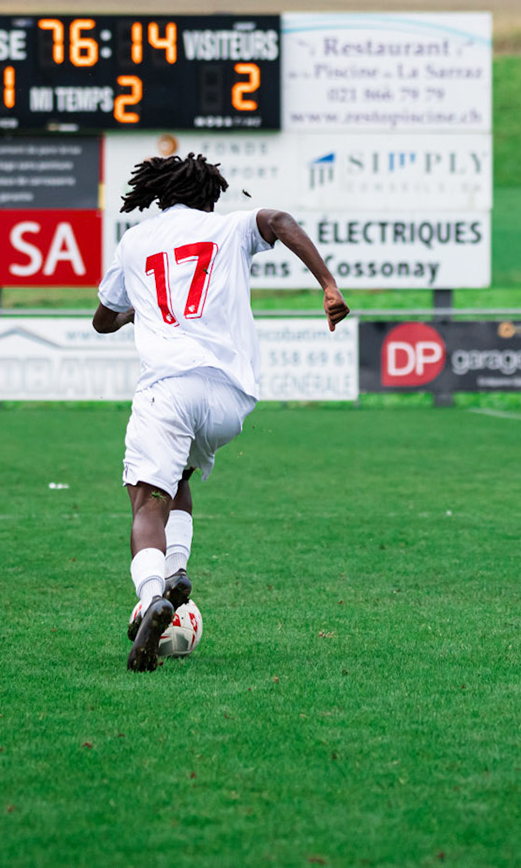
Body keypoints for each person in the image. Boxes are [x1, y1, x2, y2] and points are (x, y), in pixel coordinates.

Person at [93, 152, 349, 672]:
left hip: (168, 388)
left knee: (146, 502)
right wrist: (327, 283)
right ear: (212, 196)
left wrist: (135, 311)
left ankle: (149, 598)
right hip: (229, 400)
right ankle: (176, 573)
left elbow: (102, 320)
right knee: (180, 473)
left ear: (158, 195)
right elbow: (278, 220)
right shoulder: (229, 228)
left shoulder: (135, 241)